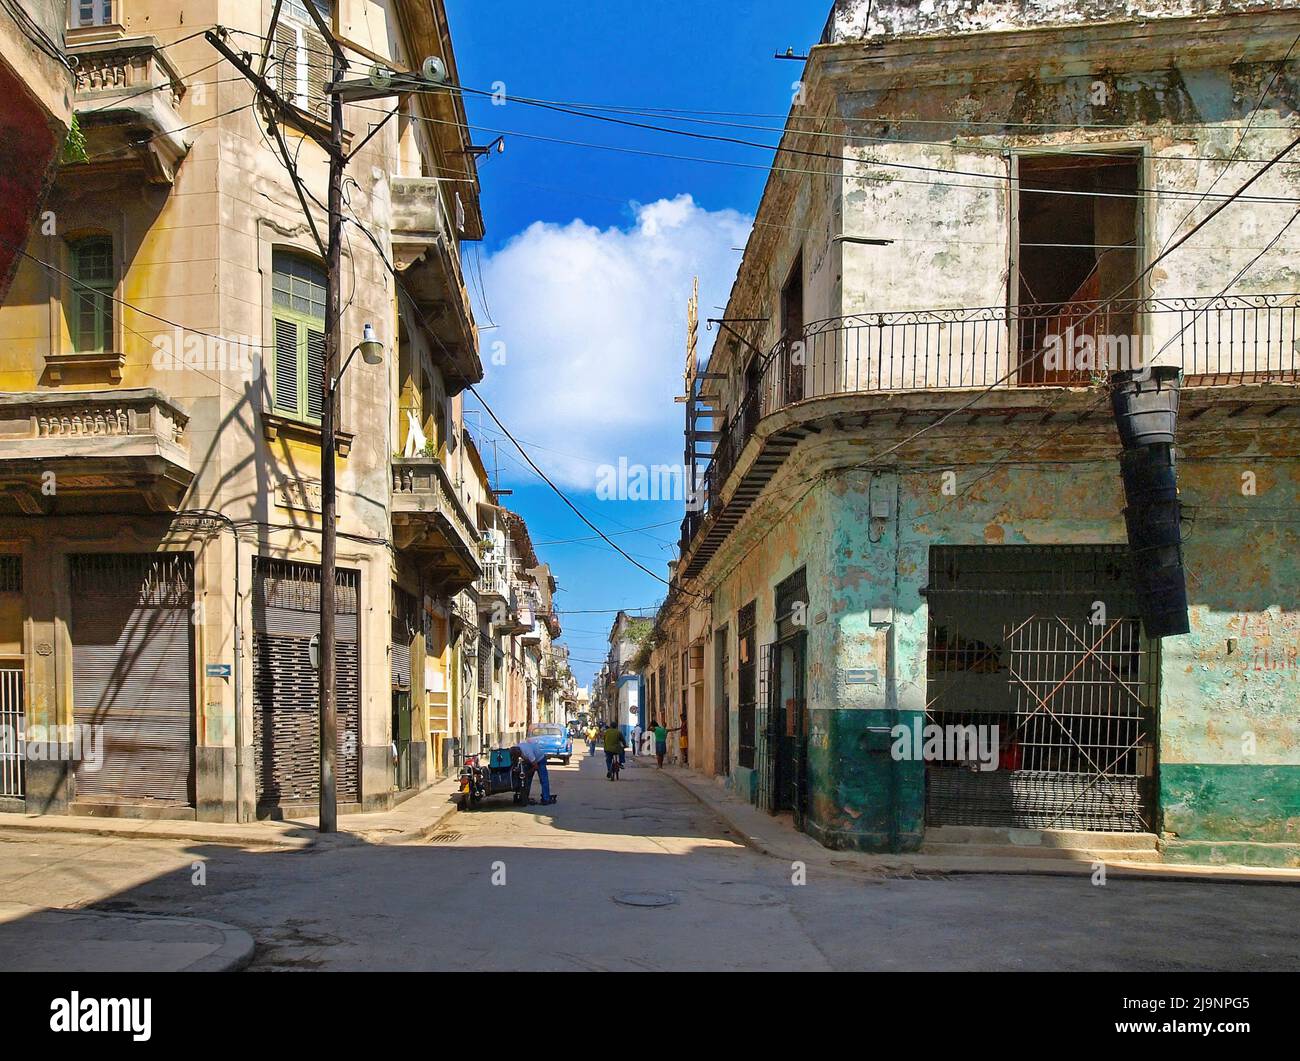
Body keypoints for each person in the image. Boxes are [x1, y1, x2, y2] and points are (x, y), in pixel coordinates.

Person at [512, 737, 556, 805]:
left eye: (518, 756)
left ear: (519, 752)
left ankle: (546, 798)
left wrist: (527, 773)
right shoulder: (516, 749)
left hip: (540, 759)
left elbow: (536, 766)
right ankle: (525, 798)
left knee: (543, 779)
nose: (518, 757)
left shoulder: (528, 752)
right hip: (530, 761)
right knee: (526, 780)